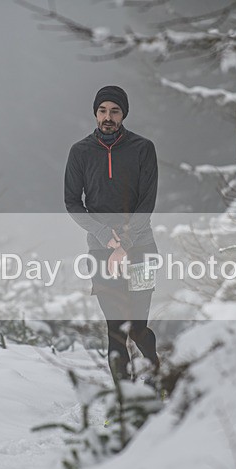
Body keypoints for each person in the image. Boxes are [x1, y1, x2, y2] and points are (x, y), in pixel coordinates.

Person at [64, 85, 160, 381]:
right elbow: (72, 202)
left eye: (115, 111)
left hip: (143, 249)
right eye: (103, 111)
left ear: (123, 114)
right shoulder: (80, 152)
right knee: (116, 330)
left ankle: (157, 374)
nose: (108, 117)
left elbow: (148, 201)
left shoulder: (143, 148)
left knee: (138, 328)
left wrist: (126, 241)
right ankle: (124, 401)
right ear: (95, 113)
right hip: (101, 252)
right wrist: (106, 236)